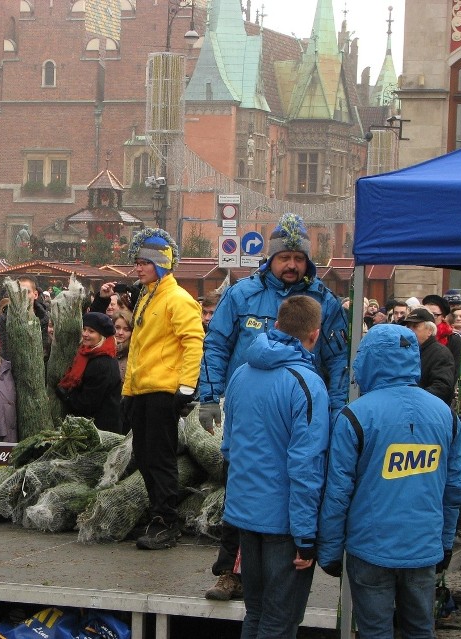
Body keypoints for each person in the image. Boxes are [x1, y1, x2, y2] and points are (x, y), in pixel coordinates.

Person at [198, 213, 348, 601]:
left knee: (295, 486)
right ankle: (229, 573)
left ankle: (279, 572)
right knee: (239, 489)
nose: (292, 265)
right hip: (246, 411)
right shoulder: (241, 294)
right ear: (270, 258)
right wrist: (210, 396)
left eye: (299, 258)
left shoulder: (324, 301)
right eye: (285, 257)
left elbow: (338, 361)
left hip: (298, 412)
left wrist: (336, 413)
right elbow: (216, 345)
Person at [318, 323, 461, 639]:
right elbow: (455, 488)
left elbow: (338, 492)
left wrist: (329, 551)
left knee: (374, 632)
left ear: (368, 360)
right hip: (422, 547)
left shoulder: (355, 415)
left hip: (371, 547)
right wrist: (444, 544)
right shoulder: (445, 415)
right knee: (420, 630)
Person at [223, 296, 329, 639]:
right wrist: (306, 536)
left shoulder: (241, 373)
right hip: (285, 522)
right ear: (314, 334)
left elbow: (228, 446)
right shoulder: (307, 383)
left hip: (244, 513)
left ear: (277, 324)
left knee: (255, 612)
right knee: (280, 620)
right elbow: (306, 466)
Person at [122, 228, 204, 550]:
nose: (137, 268)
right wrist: (128, 392)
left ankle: (166, 522)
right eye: (137, 262)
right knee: (145, 456)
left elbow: (193, 342)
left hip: (162, 393)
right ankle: (159, 514)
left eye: (144, 262)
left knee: (160, 459)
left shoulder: (177, 298)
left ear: (160, 263)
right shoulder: (149, 297)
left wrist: (185, 387)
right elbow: (138, 349)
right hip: (143, 392)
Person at [56, 312, 123, 433]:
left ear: (101, 336)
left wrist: (66, 396)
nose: (85, 334)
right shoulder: (87, 354)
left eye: (91, 331)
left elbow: (87, 403)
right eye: (84, 329)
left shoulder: (101, 363)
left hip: (100, 430)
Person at [402, 307, 456, 406]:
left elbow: (442, 388)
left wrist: (414, 400)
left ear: (430, 330)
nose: (410, 331)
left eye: (415, 326)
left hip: (427, 410)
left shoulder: (440, 354)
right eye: (408, 327)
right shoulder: (405, 350)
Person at [0, 275, 50, 354]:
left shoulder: (45, 319)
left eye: (27, 292)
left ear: (35, 294)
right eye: (18, 292)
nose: (22, 296)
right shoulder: (1, 320)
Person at [422, 294, 461, 379]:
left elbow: (455, 371)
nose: (429, 318)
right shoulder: (417, 335)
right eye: (426, 314)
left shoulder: (453, 338)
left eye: (434, 315)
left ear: (443, 317)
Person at [112, 308, 134, 383]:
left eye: (126, 329)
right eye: (117, 328)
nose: (120, 332)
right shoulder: (103, 350)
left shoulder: (133, 354)